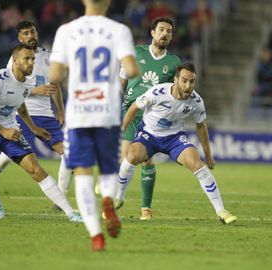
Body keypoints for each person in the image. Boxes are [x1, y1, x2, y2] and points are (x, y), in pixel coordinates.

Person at [49, 0, 139, 251]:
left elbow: (54, 76)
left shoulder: (66, 31)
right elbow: (131, 69)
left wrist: (71, 66)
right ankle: (108, 199)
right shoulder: (119, 30)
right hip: (108, 111)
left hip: (79, 113)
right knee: (109, 169)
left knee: (83, 174)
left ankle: (96, 236)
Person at [0, 44, 83, 223]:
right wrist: (3, 131)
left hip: (11, 130)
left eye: (32, 59)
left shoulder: (26, 84)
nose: (31, 62)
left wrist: (33, 128)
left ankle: (70, 213)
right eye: (27, 59)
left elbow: (20, 106)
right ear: (15, 61)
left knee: (36, 170)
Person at [115, 62, 237, 225]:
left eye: (192, 81)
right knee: (131, 156)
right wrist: (122, 129)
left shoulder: (196, 102)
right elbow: (134, 107)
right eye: (184, 81)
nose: (188, 86)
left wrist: (208, 156)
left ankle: (221, 211)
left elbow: (201, 127)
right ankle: (119, 197)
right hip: (148, 135)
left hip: (174, 139)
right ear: (176, 80)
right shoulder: (157, 93)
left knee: (197, 165)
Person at [0, 20, 72, 210]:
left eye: (32, 31)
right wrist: (37, 90)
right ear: (19, 38)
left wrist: (61, 111)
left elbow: (55, 87)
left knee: (69, 155)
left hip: (46, 116)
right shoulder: (16, 59)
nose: (30, 35)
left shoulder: (48, 57)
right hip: (23, 115)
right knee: (7, 157)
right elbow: (12, 87)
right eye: (26, 33)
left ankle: (59, 201)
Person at [116, 16, 181, 221]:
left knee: (146, 160)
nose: (165, 34)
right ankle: (114, 194)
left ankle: (145, 209)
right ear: (152, 32)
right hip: (130, 110)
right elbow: (121, 80)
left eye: (169, 31)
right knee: (126, 158)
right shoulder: (136, 52)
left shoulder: (174, 62)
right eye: (161, 29)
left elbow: (174, 92)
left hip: (152, 116)